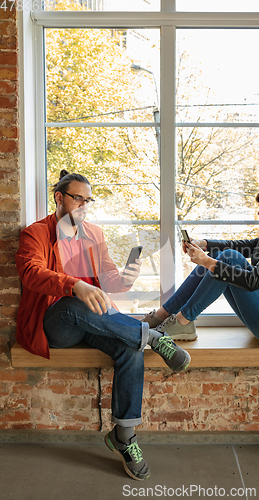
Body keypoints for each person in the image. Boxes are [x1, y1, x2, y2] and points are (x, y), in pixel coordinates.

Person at [15, 170, 190, 481]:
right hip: (58, 324)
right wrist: (74, 286)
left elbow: (109, 281)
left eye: (88, 199)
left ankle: (124, 437)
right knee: (74, 302)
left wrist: (127, 276)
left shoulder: (94, 234)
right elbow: (31, 272)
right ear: (59, 198)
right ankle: (152, 335)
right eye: (78, 198)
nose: (84, 204)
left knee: (130, 348)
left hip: (95, 321)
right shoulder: (36, 234)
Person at [142, 184, 259, 348]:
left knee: (226, 258)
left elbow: (255, 281)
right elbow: (240, 245)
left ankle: (182, 322)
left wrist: (205, 261)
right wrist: (204, 244)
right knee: (220, 255)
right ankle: (163, 314)